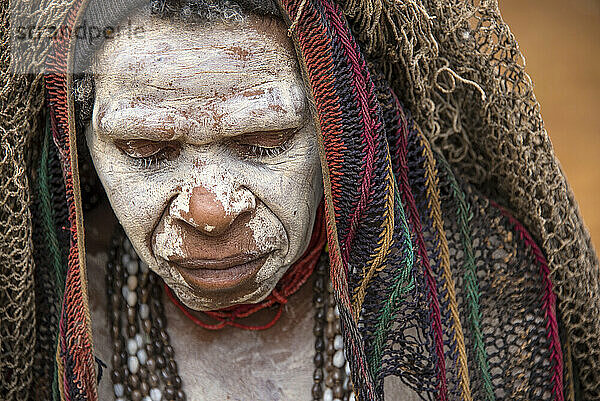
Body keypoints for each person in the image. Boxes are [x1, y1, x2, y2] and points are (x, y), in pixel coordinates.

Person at [1, 0, 598, 400]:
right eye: (146, 149)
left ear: (342, 131)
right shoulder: (30, 315)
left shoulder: (481, 300)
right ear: (81, 136)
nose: (209, 210)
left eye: (263, 143)